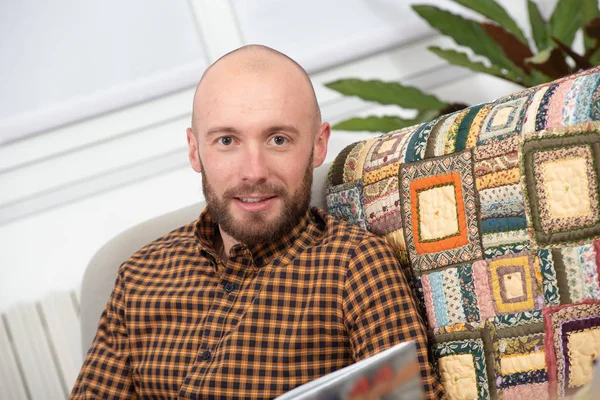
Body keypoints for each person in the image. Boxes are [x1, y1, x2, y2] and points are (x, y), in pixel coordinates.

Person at [71, 45, 444, 399]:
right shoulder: (139, 276)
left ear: (317, 145)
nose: (253, 172)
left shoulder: (357, 266)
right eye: (227, 140)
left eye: (278, 139)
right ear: (194, 149)